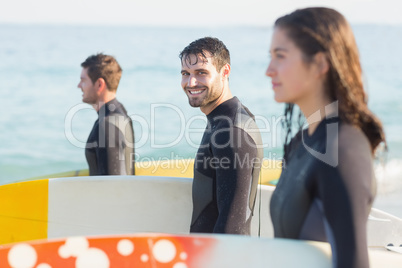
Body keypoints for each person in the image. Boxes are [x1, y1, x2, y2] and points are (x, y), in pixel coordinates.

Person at [266, 7, 386, 268]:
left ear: (320, 63)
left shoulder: (343, 148)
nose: (269, 70)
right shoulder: (301, 142)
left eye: (280, 56)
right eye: (270, 57)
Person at [180, 37, 263, 234]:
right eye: (185, 73)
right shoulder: (227, 119)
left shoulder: (231, 132)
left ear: (225, 71)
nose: (191, 82)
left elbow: (233, 224)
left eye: (201, 73)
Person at [78, 53, 135, 175]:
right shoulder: (121, 114)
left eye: (83, 81)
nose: (79, 86)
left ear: (99, 84)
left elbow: (112, 184)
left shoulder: (106, 125)